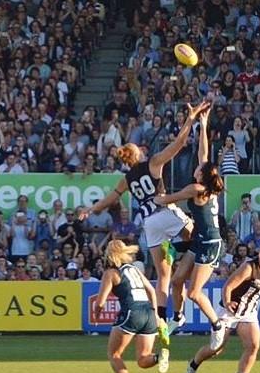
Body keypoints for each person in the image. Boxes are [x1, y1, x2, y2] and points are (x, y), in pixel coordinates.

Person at [76, 102, 205, 351]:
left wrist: (90, 210)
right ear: (137, 155)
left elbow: (109, 200)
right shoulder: (154, 163)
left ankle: (162, 320)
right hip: (165, 211)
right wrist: (190, 120)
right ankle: (180, 253)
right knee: (201, 239)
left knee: (162, 277)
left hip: (149, 224)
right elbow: (178, 144)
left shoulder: (125, 179)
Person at [157, 103, 226, 342]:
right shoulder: (205, 183)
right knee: (177, 281)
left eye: (199, 168)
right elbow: (204, 154)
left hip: (211, 244)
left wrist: (153, 196)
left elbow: (167, 198)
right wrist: (203, 125)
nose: (197, 165)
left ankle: (217, 326)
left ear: (201, 175)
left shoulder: (196, 188)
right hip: (199, 240)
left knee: (195, 292)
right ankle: (178, 317)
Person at [185, 239, 260, 373]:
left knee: (253, 346)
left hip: (248, 313)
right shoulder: (249, 267)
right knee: (216, 349)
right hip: (229, 311)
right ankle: (193, 365)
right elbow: (229, 285)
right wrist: (227, 302)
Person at [93, 238, 160, 373]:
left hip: (132, 312)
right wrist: (156, 314)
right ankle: (159, 357)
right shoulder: (134, 269)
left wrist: (96, 315)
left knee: (114, 353)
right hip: (148, 313)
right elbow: (151, 290)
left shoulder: (111, 273)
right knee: (143, 359)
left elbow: (100, 302)